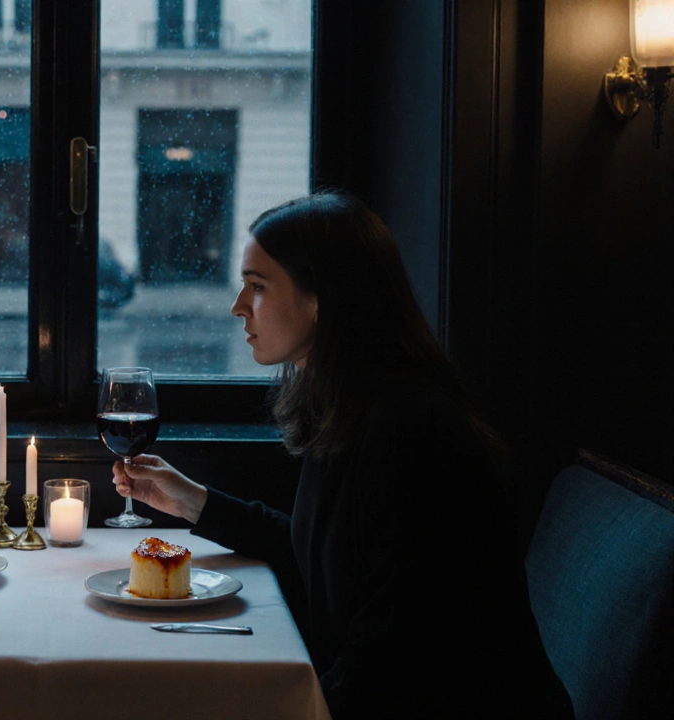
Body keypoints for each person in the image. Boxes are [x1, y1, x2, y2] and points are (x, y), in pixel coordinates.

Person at [112, 193, 574, 719]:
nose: (238, 305)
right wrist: (194, 501)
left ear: (322, 299)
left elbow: (395, 660)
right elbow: (317, 555)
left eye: (258, 286)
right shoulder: (353, 405)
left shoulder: (412, 431)